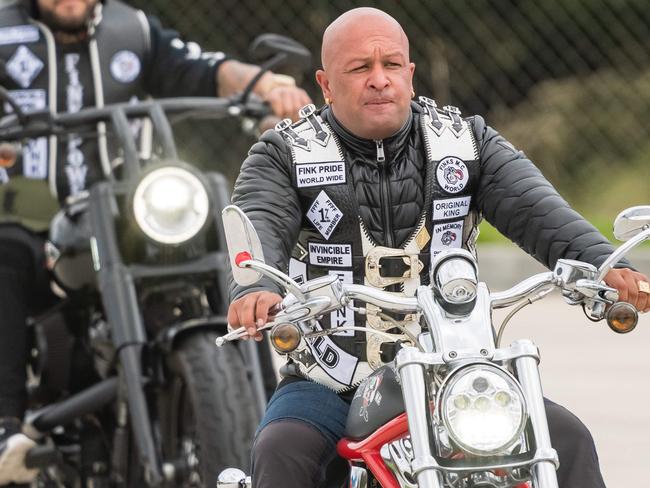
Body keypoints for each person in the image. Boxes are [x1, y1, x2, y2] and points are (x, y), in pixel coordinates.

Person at [227, 7, 650, 488]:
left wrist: (605, 266)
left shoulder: (466, 142)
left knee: (568, 442)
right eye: (360, 68)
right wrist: (256, 286)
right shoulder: (285, 153)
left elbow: (539, 211)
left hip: (455, 371)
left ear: (410, 74)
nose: (379, 80)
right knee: (281, 450)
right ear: (326, 84)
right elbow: (259, 220)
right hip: (332, 376)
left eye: (391, 65)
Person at [0, 0, 310, 484]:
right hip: (30, 216)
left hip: (129, 211)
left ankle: (279, 424)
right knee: (6, 253)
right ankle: (6, 426)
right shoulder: (3, 29)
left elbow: (205, 69)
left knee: (202, 228)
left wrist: (267, 85)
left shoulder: (134, 31)